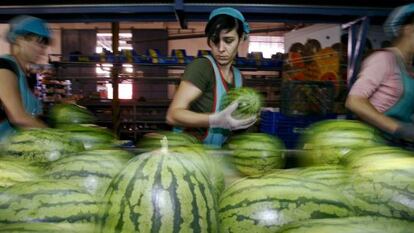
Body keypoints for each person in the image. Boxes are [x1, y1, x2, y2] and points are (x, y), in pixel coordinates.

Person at [166, 7, 256, 147]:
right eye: (215, 41)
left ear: (242, 38)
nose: (220, 48)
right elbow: (172, 115)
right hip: (186, 154)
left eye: (228, 40)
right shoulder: (202, 68)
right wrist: (215, 120)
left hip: (213, 156)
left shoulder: (239, 78)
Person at [346, 3, 414, 144]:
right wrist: (399, 128)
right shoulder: (384, 59)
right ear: (409, 30)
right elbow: (354, 101)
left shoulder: (409, 70)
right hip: (370, 143)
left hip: (395, 145)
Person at [0, 15, 52, 141]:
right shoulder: (5, 67)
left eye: (44, 46)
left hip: (15, 149)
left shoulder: (25, 75)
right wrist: (57, 137)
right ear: (19, 40)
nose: (42, 50)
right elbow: (18, 117)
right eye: (38, 43)